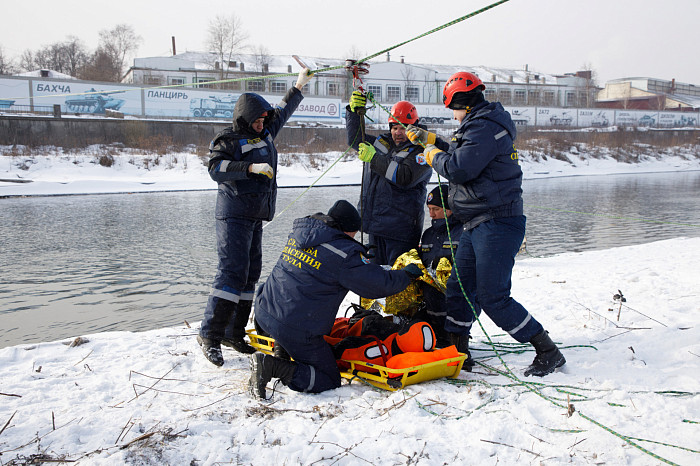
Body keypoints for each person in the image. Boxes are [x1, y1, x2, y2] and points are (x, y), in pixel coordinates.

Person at [405, 71, 566, 377]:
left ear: (460, 102)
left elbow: (459, 167)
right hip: (474, 221)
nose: (452, 114)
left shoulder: (482, 126)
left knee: (493, 296)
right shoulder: (478, 125)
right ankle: (457, 348)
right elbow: (462, 152)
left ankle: (546, 349)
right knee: (460, 287)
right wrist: (432, 140)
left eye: (452, 107)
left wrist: (431, 154)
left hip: (497, 222)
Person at [197, 68, 315, 367]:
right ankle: (210, 334)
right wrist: (249, 169)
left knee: (250, 275)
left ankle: (234, 333)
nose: (263, 124)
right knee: (231, 272)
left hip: (255, 217)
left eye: (264, 120)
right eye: (258, 120)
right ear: (245, 119)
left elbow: (282, 112)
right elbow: (215, 170)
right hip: (233, 215)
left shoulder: (264, 133)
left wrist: (298, 86)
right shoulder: (228, 141)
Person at [249, 200, 424, 399]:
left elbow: (326, 260)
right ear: (347, 230)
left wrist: (358, 257)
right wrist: (406, 275)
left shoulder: (303, 234)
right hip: (295, 327)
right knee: (328, 378)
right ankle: (273, 367)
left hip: (265, 312)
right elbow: (377, 285)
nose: (354, 238)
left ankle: (282, 351)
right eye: (353, 234)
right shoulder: (344, 254)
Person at [345, 92, 432, 265]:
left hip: (400, 233)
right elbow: (355, 139)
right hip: (376, 228)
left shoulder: (422, 151)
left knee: (399, 284)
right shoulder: (381, 144)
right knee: (376, 281)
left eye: (403, 128)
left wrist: (374, 159)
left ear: (414, 128)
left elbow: (404, 177)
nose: (398, 133)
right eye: (394, 128)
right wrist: (353, 112)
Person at [416, 184, 464, 351]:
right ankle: (437, 336)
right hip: (432, 296)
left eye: (436, 208)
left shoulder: (463, 231)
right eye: (429, 209)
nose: (431, 214)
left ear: (450, 208)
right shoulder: (428, 234)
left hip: (457, 294)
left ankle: (457, 340)